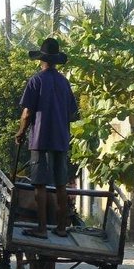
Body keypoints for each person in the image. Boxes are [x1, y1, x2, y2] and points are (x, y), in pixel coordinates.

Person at [14, 37, 78, 239]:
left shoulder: (36, 80)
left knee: (40, 184)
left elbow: (26, 113)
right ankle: (60, 227)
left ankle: (41, 228)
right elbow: (72, 112)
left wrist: (20, 132)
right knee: (60, 184)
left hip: (40, 138)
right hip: (60, 138)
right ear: (56, 61)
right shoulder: (64, 83)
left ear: (41, 60)